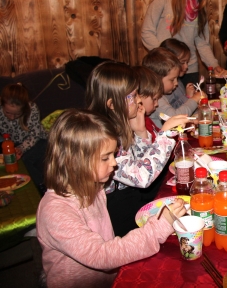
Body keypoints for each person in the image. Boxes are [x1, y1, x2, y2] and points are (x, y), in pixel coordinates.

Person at [36, 109, 187, 288]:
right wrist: (157, 228)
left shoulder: (93, 187)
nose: (114, 163)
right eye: (105, 158)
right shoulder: (55, 211)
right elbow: (101, 255)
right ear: (75, 162)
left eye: (113, 155)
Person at [86, 61, 190, 236]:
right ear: (112, 104)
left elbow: (140, 163)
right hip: (113, 213)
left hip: (131, 200)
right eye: (133, 96)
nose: (139, 100)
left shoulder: (120, 125)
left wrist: (141, 132)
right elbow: (142, 177)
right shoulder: (101, 137)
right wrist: (164, 135)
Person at [141, 0, 226, 84]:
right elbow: (147, 32)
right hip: (165, 69)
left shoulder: (200, 4)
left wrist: (213, 64)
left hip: (189, 68)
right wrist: (165, 58)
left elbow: (202, 42)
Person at [0, 83, 47, 195]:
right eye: (8, 113)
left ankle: (41, 188)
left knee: (25, 160)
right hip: (11, 142)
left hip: (37, 141)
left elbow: (35, 135)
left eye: (16, 114)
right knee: (7, 160)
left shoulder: (32, 108)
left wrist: (21, 148)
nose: (11, 118)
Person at [142, 47, 203, 128]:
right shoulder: (156, 100)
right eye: (172, 80)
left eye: (176, 78)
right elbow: (173, 117)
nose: (176, 83)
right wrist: (194, 99)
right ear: (157, 79)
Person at [160, 38, 197, 109]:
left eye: (187, 62)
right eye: (182, 62)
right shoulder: (166, 87)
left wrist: (189, 96)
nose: (186, 66)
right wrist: (189, 98)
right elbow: (173, 110)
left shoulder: (178, 82)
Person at [132, 66, 164, 141]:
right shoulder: (139, 125)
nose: (156, 104)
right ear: (138, 96)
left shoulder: (147, 120)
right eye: (154, 99)